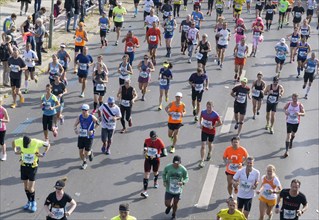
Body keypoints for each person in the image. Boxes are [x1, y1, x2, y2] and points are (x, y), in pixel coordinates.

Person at [13, 135, 50, 212]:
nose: (26, 147)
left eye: (27, 146)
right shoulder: (20, 140)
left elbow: (48, 144)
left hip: (33, 167)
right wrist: (15, 151)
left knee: (30, 188)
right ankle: (29, 201)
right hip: (23, 166)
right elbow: (13, 142)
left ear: (30, 142)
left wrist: (43, 154)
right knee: (26, 187)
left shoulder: (36, 142)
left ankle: (33, 202)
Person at [141, 130, 167, 198]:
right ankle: (145, 191)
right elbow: (145, 145)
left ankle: (155, 181)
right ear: (150, 137)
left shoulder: (160, 142)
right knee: (146, 174)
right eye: (153, 138)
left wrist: (156, 156)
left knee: (155, 172)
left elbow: (165, 154)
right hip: (148, 159)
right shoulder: (147, 140)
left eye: (155, 137)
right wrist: (145, 150)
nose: (154, 139)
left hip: (156, 160)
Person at [74, 104, 100, 169]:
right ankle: (84, 162)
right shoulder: (80, 117)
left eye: (85, 110)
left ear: (88, 110)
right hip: (81, 136)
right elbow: (75, 125)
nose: (84, 111)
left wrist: (93, 130)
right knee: (80, 151)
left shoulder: (91, 117)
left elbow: (98, 123)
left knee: (86, 152)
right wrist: (75, 130)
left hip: (89, 136)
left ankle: (90, 152)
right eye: (83, 110)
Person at [162, 155, 189, 220]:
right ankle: (169, 206)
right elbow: (163, 174)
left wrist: (182, 182)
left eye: (178, 164)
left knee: (175, 203)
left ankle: (174, 214)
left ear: (180, 162)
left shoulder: (183, 169)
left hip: (178, 189)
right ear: (173, 162)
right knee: (166, 203)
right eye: (175, 163)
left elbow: (186, 177)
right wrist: (165, 181)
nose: (176, 165)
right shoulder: (168, 167)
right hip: (169, 188)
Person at [198, 101, 222, 168]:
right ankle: (202, 160)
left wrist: (213, 126)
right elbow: (200, 117)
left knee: (210, 143)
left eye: (210, 107)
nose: (208, 109)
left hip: (211, 131)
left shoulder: (215, 114)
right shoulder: (203, 112)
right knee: (203, 145)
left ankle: (210, 152)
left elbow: (220, 123)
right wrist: (200, 124)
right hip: (204, 130)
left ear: (212, 107)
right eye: (207, 107)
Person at [283, 93, 305, 158]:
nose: (294, 100)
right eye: (293, 98)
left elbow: (304, 113)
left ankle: (291, 140)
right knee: (288, 136)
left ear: (297, 99)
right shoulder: (289, 104)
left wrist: (299, 113)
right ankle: (286, 151)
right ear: (292, 98)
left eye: (296, 98)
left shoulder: (300, 105)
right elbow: (284, 108)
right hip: (289, 122)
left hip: (296, 122)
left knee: (293, 134)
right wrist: (285, 112)